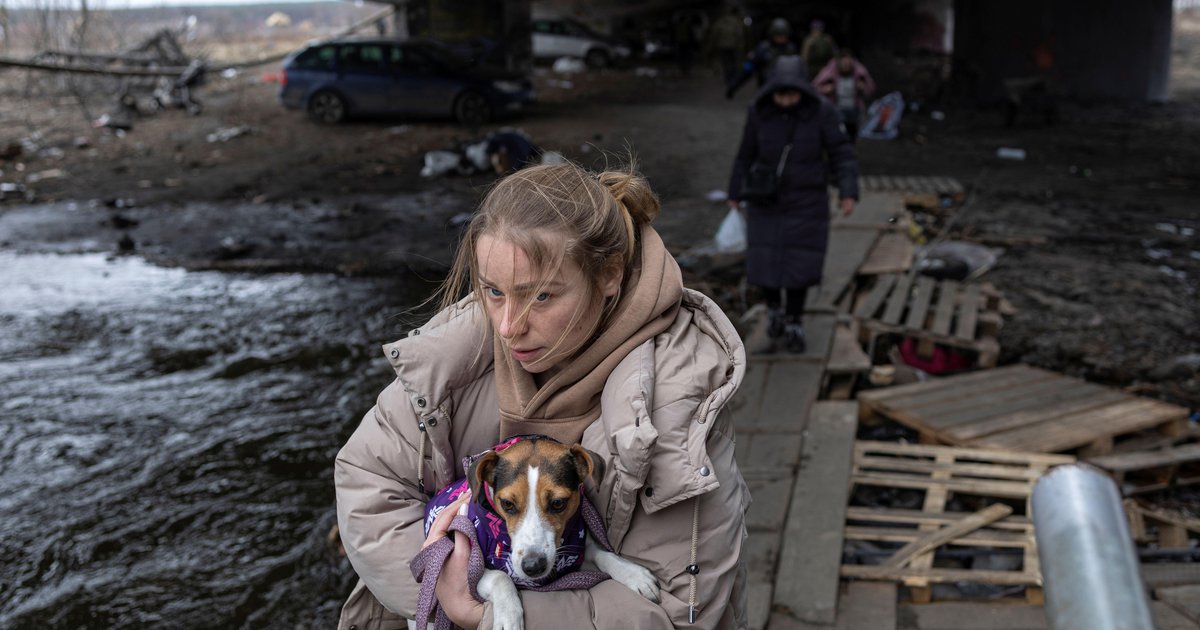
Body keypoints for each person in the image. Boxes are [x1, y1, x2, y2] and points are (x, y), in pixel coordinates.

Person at [335, 161, 751, 629]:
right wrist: (433, 590)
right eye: (494, 291)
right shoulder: (446, 361)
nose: (508, 326)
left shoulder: (678, 402)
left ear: (609, 274)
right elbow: (367, 487)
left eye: (541, 296)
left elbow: (677, 613)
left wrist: (475, 613)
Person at [726, 55, 858, 353]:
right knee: (766, 260)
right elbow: (745, 153)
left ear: (803, 89)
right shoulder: (759, 112)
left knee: (801, 262)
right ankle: (774, 311)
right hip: (765, 197)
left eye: (792, 93)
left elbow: (841, 153)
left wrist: (848, 191)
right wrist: (735, 191)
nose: (785, 100)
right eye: (780, 94)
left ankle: (795, 319)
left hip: (807, 199)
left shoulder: (822, 112)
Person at [725, 17, 798, 98]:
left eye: (783, 36)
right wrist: (733, 87)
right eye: (778, 36)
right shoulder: (764, 49)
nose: (781, 39)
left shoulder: (790, 50)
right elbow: (748, 69)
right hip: (766, 90)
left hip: (786, 90)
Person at [812, 50, 875, 142]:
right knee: (839, 135)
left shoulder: (859, 72)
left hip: (854, 111)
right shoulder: (830, 72)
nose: (846, 65)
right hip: (836, 110)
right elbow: (814, 87)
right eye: (843, 63)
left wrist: (862, 87)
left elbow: (871, 88)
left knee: (852, 136)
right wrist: (825, 89)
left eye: (848, 63)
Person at [707, 7, 745, 86]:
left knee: (725, 63)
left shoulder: (719, 22)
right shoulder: (736, 22)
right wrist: (740, 45)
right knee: (734, 62)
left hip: (722, 45)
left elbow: (714, 35)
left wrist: (712, 46)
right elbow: (739, 34)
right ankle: (733, 78)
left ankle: (728, 79)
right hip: (733, 45)